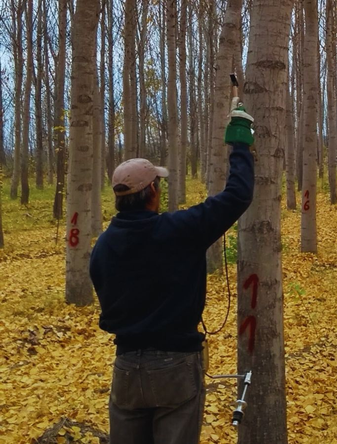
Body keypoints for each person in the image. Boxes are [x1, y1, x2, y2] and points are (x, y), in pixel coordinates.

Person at [90, 99, 255, 444]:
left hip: (126, 369)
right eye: (158, 185)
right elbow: (237, 195)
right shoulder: (178, 230)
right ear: (152, 191)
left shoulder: (103, 246)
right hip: (175, 367)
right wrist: (239, 143)